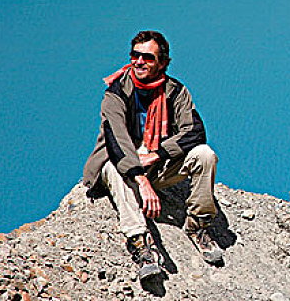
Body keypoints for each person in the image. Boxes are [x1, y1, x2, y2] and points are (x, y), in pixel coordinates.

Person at [81, 30, 223, 279]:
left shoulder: (175, 92)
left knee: (205, 154)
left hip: (155, 163)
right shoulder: (116, 92)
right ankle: (140, 243)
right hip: (122, 168)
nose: (139, 62)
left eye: (147, 57)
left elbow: (195, 132)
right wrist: (141, 179)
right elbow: (116, 141)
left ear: (163, 63)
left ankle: (198, 225)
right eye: (135, 55)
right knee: (112, 166)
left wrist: (157, 154)